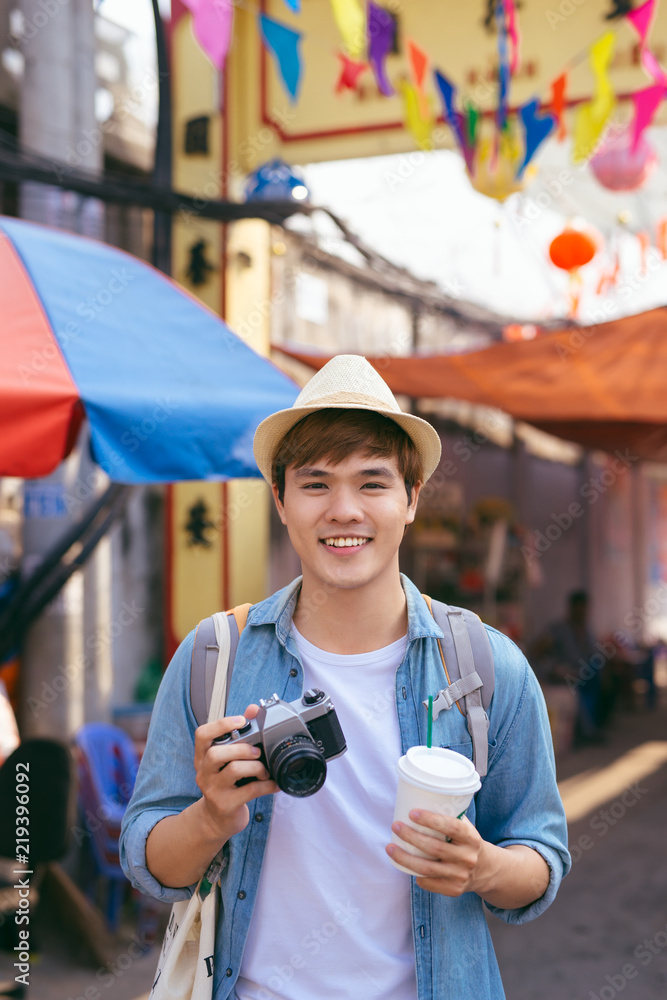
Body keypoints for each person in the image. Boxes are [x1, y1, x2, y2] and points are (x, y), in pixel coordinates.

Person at [120, 355, 570, 1000]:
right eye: (315, 484)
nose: (344, 510)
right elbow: (149, 860)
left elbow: (541, 860)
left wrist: (483, 866)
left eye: (372, 483)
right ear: (280, 500)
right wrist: (211, 818)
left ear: (412, 499)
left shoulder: (485, 665)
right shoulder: (213, 657)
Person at [530, 590, 606, 745]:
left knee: (600, 678)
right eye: (578, 608)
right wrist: (555, 668)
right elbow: (536, 651)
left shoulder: (586, 631)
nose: (582, 613)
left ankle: (594, 725)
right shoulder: (557, 629)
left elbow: (593, 655)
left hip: (582, 675)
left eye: (584, 609)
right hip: (560, 676)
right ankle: (587, 732)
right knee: (575, 690)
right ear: (571, 608)